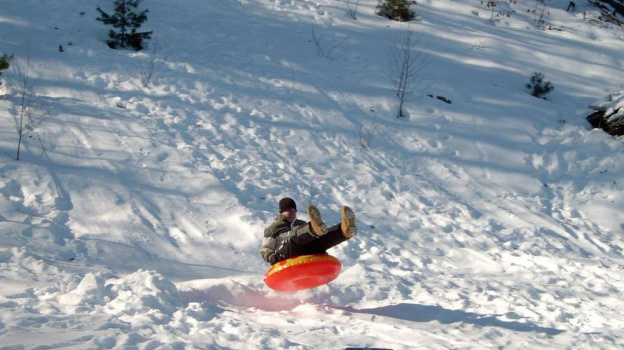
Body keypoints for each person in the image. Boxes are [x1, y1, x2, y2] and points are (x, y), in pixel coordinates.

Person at [261, 197, 357, 265]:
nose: (292, 213)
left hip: (303, 253)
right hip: (283, 256)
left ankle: (344, 231)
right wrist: (271, 256)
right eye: (288, 210)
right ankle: (313, 228)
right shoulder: (273, 228)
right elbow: (265, 248)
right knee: (293, 238)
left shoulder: (300, 223)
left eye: (294, 210)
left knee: (319, 240)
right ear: (281, 211)